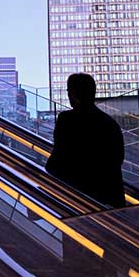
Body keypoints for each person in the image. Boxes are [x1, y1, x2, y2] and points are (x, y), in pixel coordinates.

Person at [45, 73, 126, 208]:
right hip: (109, 197)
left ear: (74, 93)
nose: (68, 95)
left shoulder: (67, 119)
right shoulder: (109, 122)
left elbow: (60, 156)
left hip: (78, 197)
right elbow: (118, 158)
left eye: (69, 91)